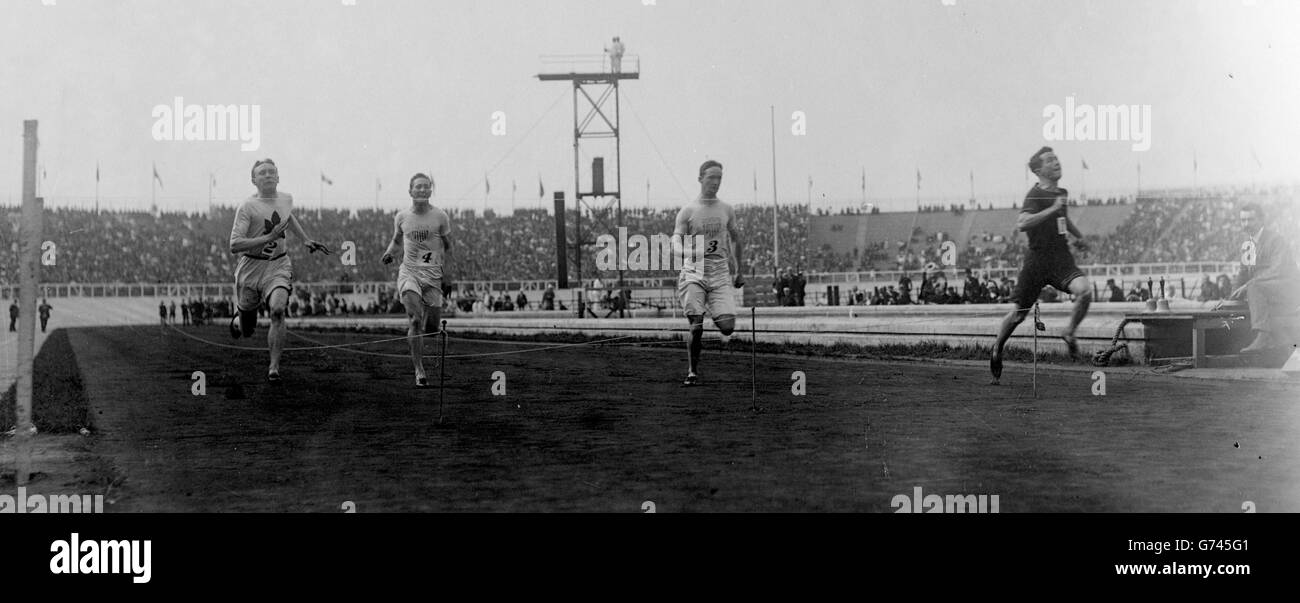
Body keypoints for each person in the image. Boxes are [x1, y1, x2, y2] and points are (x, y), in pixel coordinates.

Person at [990, 147, 1093, 384]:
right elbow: (1023, 223)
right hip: (1037, 261)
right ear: (1038, 170)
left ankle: (1069, 332)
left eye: (1057, 158)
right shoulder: (1034, 195)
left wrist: (1079, 237)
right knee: (1018, 314)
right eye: (1050, 160)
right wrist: (1052, 209)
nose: (1057, 162)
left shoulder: (1062, 192)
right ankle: (997, 347)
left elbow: (1063, 218)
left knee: (1085, 291)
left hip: (1061, 259)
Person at [228, 158, 332, 382]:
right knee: (247, 329)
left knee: (277, 310)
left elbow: (288, 217)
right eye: (262, 173)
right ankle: (238, 320)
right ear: (253, 180)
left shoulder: (286, 199)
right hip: (250, 267)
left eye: (270, 172)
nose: (267, 175)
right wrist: (269, 237)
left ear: (278, 177)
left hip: (278, 264)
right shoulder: (247, 207)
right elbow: (234, 245)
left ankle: (273, 367)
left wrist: (304, 239)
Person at [674, 159, 745, 386]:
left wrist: (739, 269)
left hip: (719, 272)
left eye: (719, 178)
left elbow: (735, 238)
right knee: (696, 325)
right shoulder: (688, 211)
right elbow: (675, 241)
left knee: (727, 328)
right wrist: (688, 249)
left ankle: (714, 310)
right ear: (700, 179)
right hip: (694, 272)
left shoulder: (726, 209)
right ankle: (692, 371)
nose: (715, 182)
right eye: (711, 177)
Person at [382, 173, 452, 388]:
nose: (422, 190)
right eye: (418, 187)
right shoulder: (402, 217)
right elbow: (396, 241)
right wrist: (389, 253)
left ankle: (425, 336)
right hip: (409, 273)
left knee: (431, 326)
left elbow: (448, 247)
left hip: (432, 275)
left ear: (431, 190)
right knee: (414, 319)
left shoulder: (440, 216)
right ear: (410, 191)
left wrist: (447, 275)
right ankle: (419, 370)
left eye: (426, 187)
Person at [1220, 203, 1300, 353]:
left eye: (1250, 220)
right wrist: (1232, 296)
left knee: (1253, 287)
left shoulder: (1276, 240)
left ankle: (1264, 336)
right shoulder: (1247, 245)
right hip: (1265, 291)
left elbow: (1278, 270)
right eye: (1243, 220)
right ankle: (1278, 339)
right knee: (1244, 292)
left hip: (1288, 290)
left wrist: (1249, 285)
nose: (1246, 224)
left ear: (1261, 220)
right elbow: (1242, 274)